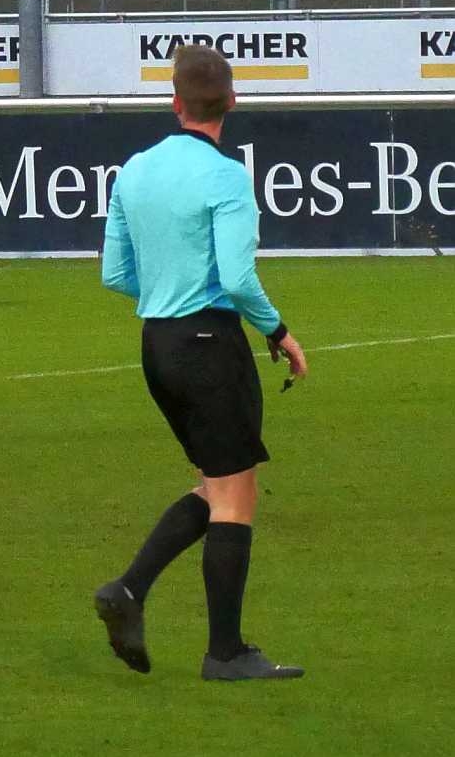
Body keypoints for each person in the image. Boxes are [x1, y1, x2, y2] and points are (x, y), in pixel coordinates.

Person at [96, 44, 308, 681]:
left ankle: (129, 590)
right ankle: (225, 652)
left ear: (176, 102)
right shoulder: (226, 177)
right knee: (236, 495)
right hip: (210, 345)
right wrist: (278, 331)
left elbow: (115, 274)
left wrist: (167, 292)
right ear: (232, 102)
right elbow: (238, 278)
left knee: (214, 487)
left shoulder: (134, 170)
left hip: (157, 345)